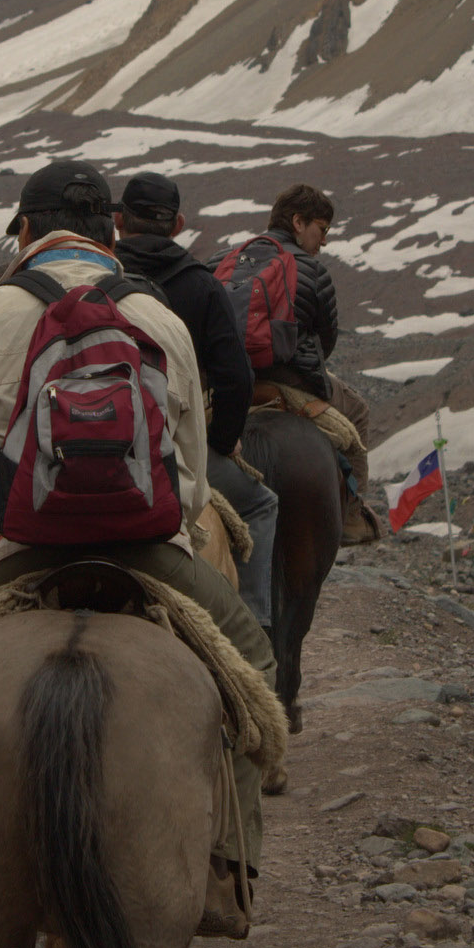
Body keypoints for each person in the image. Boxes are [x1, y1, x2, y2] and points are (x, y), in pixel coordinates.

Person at [0, 160, 275, 937]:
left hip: (15, 550)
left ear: (24, 229)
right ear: (111, 231)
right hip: (145, 550)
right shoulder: (161, 319)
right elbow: (187, 485)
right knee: (252, 664)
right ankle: (227, 868)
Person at [111, 171, 282, 635]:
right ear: (179, 223)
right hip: (174, 446)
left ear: (119, 220)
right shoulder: (201, 285)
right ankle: (251, 623)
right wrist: (222, 442)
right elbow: (235, 376)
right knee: (261, 505)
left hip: (89, 437)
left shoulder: (99, 273)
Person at [239, 182, 380, 537]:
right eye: (322, 229)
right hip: (292, 383)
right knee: (358, 410)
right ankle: (350, 516)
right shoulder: (312, 269)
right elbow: (325, 342)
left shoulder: (223, 260)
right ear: (298, 222)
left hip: (234, 384)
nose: (325, 241)